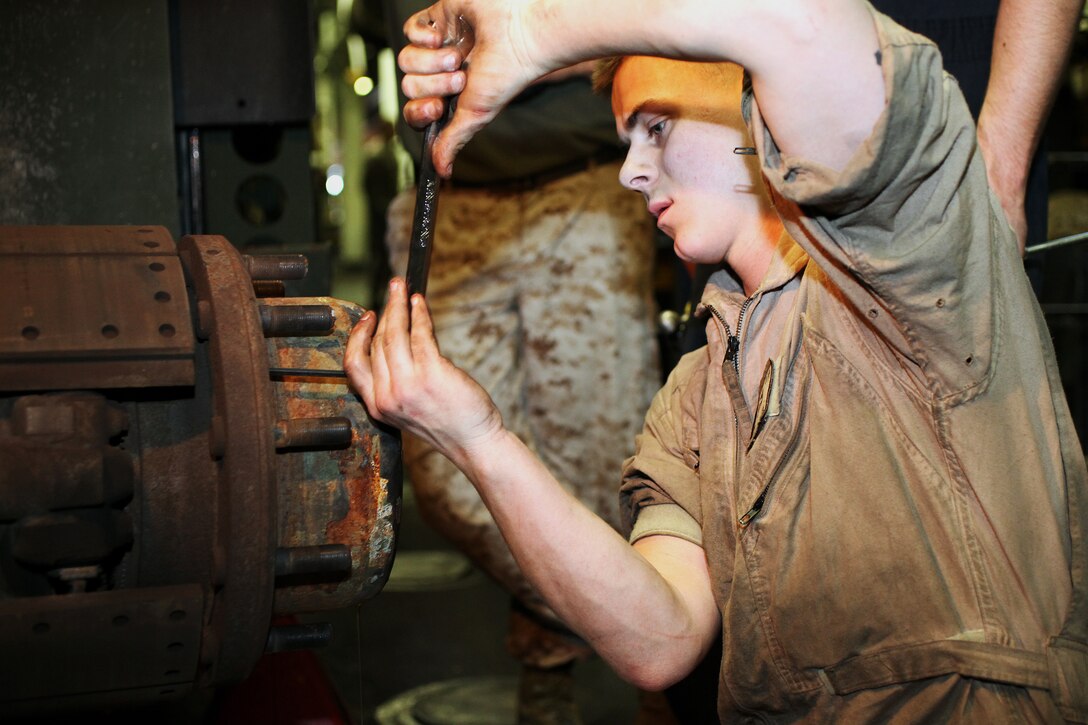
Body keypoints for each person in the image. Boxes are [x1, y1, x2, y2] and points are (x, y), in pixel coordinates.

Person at [346, 0, 1088, 721]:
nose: (630, 173)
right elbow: (659, 638)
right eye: (628, 138)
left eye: (657, 126)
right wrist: (480, 438)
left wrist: (534, 28)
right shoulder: (698, 389)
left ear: (755, 104)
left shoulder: (910, 264)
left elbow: (797, 22)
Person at [362, 0, 661, 720]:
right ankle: (595, 617)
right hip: (457, 187)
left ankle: (640, 679)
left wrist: (541, 39)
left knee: (608, 475)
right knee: (444, 472)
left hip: (586, 182)